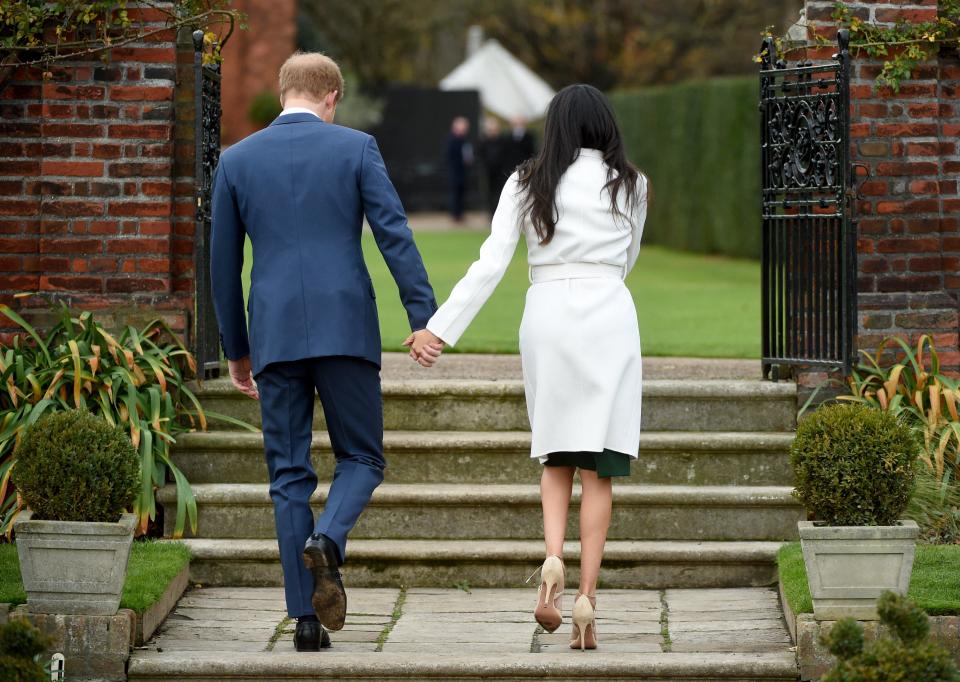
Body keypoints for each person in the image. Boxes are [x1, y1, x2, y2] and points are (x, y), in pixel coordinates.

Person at [210, 52, 440, 653]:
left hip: (275, 336)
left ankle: (305, 623)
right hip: (345, 329)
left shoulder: (235, 160)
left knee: (288, 475)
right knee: (362, 459)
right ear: (331, 97)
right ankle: (330, 541)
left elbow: (222, 267)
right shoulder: (356, 148)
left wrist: (237, 349)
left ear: (284, 92)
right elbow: (394, 233)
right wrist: (422, 317)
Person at [409, 84, 648, 651]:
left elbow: (490, 264)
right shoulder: (633, 184)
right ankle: (587, 597)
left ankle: (550, 562)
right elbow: (629, 258)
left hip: (547, 316)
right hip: (610, 313)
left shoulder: (526, 180)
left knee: (556, 453)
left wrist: (438, 329)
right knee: (600, 467)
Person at [445, 116, 474, 222]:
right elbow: (449, 157)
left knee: (462, 194)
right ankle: (455, 215)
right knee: (455, 194)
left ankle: (460, 214)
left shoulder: (465, 140)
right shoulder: (451, 140)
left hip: (463, 173)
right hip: (454, 173)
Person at [477, 117, 508, 217]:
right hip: (488, 172)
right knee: (489, 194)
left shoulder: (503, 141)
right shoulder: (483, 142)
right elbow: (480, 156)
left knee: (501, 193)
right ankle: (491, 214)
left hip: (501, 172)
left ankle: (500, 214)